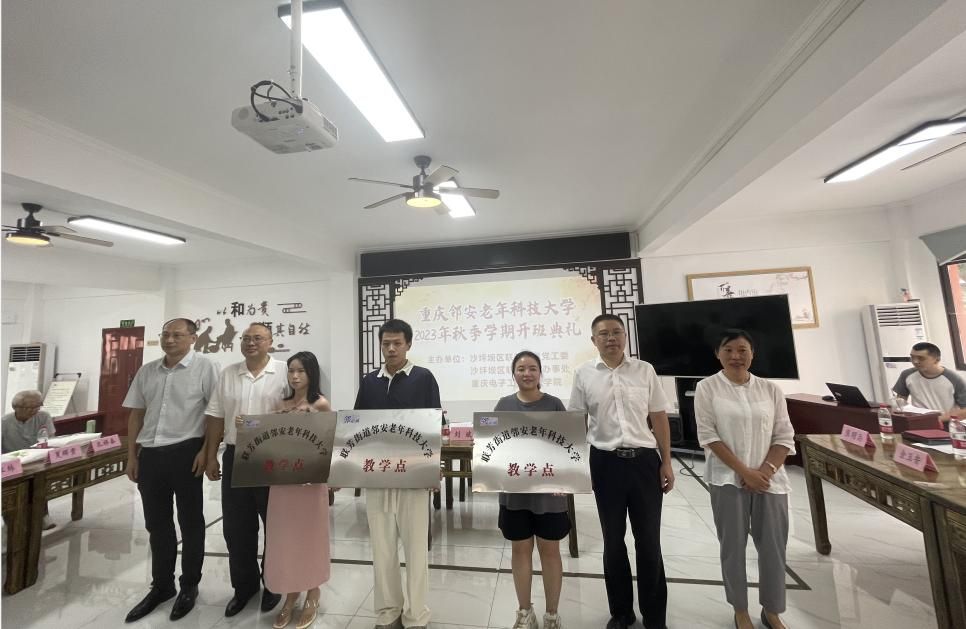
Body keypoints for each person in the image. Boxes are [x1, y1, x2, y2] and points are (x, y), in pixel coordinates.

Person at [568, 314, 674, 629]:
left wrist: (666, 461)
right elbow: (577, 422)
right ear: (594, 340)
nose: (611, 338)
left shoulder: (645, 370)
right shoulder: (583, 374)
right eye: (603, 334)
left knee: (649, 541)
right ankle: (621, 613)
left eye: (616, 332)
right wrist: (575, 467)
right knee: (613, 541)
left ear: (625, 337)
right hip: (605, 463)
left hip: (645, 463)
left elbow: (659, 417)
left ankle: (654, 616)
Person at [694, 329, 794, 629]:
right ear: (717, 354)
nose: (735, 356)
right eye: (728, 350)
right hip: (727, 480)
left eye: (742, 350)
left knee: (774, 547)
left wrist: (765, 472)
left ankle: (772, 610)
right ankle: (740, 609)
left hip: (770, 481)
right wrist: (745, 472)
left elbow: (784, 435)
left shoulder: (770, 389)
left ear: (753, 353)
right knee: (733, 547)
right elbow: (708, 435)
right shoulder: (707, 388)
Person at [121, 318, 219, 623]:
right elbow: (136, 415)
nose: (170, 339)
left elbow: (215, 413)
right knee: (157, 524)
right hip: (150, 454)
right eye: (165, 334)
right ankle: (162, 585)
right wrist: (132, 456)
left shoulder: (206, 367)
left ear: (193, 338)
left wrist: (206, 451)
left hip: (187, 452)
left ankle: (189, 585)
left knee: (191, 522)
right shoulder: (148, 371)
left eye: (177, 335)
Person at [354, 318, 440, 629]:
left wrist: (434, 471)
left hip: (413, 476)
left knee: (416, 548)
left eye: (397, 343)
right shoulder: (370, 382)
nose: (391, 348)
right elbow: (357, 426)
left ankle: (416, 615)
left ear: (408, 345)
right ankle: (388, 611)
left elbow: (435, 426)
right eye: (386, 343)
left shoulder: (423, 378)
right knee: (382, 548)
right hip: (377, 475)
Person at [204, 323, 289, 617]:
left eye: (258, 338)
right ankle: (245, 587)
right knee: (236, 527)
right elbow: (215, 416)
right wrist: (211, 456)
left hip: (272, 457)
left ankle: (274, 583)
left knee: (275, 524)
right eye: (246, 338)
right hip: (235, 455)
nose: (251, 343)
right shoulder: (228, 373)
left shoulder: (284, 372)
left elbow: (299, 412)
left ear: (271, 342)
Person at [496, 351, 568, 629]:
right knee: (520, 550)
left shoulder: (554, 404)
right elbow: (494, 447)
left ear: (540, 373)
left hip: (549, 495)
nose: (527, 373)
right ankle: (525, 612)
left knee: (550, 551)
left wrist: (567, 480)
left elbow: (568, 447)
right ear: (513, 373)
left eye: (532, 368)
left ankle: (552, 615)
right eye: (521, 368)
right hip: (515, 494)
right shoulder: (503, 405)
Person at [261, 351, 332, 629]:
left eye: (301, 370)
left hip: (310, 483)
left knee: (310, 537)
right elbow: (268, 440)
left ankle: (313, 591)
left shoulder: (320, 404)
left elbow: (327, 442)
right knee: (285, 538)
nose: (295, 376)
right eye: (291, 370)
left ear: (311, 373)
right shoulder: (280, 403)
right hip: (282, 482)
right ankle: (291, 593)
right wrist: (250, 424)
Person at [1, 389, 57, 530]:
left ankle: (43, 515)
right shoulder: (4, 422)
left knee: (40, 483)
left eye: (38, 406)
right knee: (10, 491)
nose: (35, 410)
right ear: (16, 407)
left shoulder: (43, 416)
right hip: (12, 463)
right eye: (30, 407)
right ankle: (10, 521)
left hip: (37, 459)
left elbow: (51, 439)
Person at [893, 342, 966, 422]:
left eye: (921, 358)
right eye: (912, 357)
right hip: (917, 421)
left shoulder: (954, 379)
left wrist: (936, 420)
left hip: (945, 423)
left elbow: (964, 411)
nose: (915, 361)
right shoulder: (906, 374)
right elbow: (900, 401)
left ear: (937, 360)